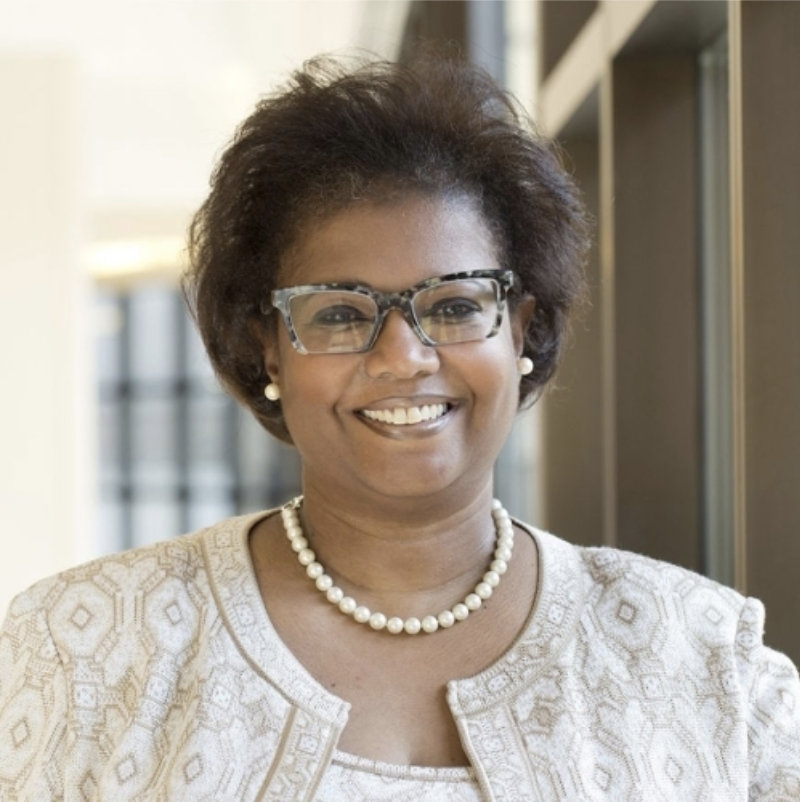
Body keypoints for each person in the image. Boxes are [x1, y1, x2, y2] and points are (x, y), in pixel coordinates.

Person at [1, 53, 799, 802]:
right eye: (341, 314)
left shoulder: (702, 659)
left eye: (454, 306)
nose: (404, 357)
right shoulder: (81, 650)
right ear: (267, 350)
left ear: (519, 333)